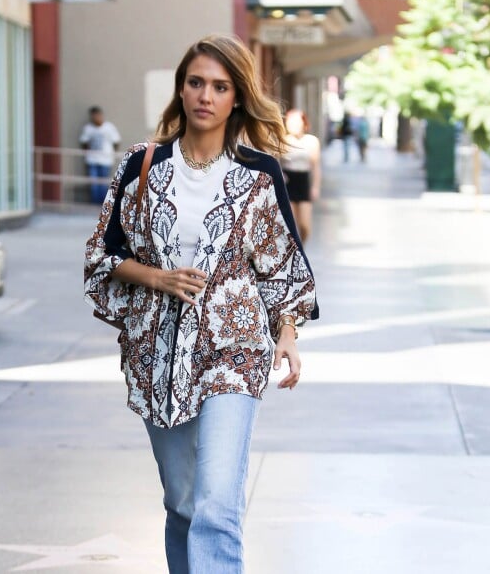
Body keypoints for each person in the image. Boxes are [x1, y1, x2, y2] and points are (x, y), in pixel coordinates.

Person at [84, 34, 318, 574]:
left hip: (233, 350)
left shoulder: (259, 175)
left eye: (219, 86)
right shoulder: (141, 166)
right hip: (158, 353)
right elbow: (101, 255)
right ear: (181, 89)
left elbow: (282, 264)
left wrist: (287, 331)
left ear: (237, 96)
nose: (205, 96)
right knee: (184, 504)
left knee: (217, 503)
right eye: (195, 83)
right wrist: (157, 277)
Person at [281, 109, 321, 243]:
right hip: (288, 182)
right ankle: (294, 251)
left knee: (304, 225)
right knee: (290, 224)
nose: (293, 125)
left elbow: (315, 166)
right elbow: (274, 162)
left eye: (296, 122)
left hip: (303, 181)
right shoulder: (283, 140)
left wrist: (315, 186)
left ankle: (301, 247)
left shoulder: (312, 141)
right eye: (290, 122)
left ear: (304, 123)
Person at [79, 106, 121, 204]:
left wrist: (111, 154)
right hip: (92, 160)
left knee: (104, 183)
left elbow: (116, 141)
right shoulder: (88, 128)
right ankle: (95, 203)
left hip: (105, 160)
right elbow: (84, 142)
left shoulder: (109, 127)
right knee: (94, 184)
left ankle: (103, 204)